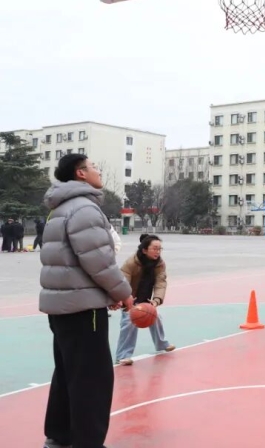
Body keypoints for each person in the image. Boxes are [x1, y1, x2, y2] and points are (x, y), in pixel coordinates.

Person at [39, 153, 134, 448]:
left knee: (68, 371)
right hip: (83, 309)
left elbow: (73, 262)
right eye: (93, 167)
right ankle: (88, 442)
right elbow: (99, 262)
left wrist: (106, 294)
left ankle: (60, 435)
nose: (98, 171)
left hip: (62, 305)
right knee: (93, 379)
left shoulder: (60, 208)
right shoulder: (84, 208)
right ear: (80, 173)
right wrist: (123, 293)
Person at [116, 234, 176, 366]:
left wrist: (156, 300)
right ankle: (123, 355)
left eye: (159, 249)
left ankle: (161, 344)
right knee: (129, 323)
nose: (158, 252)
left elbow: (161, 282)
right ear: (144, 250)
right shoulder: (131, 262)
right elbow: (123, 282)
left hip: (147, 298)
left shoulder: (159, 264)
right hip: (131, 298)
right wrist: (126, 298)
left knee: (155, 317)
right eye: (154, 248)